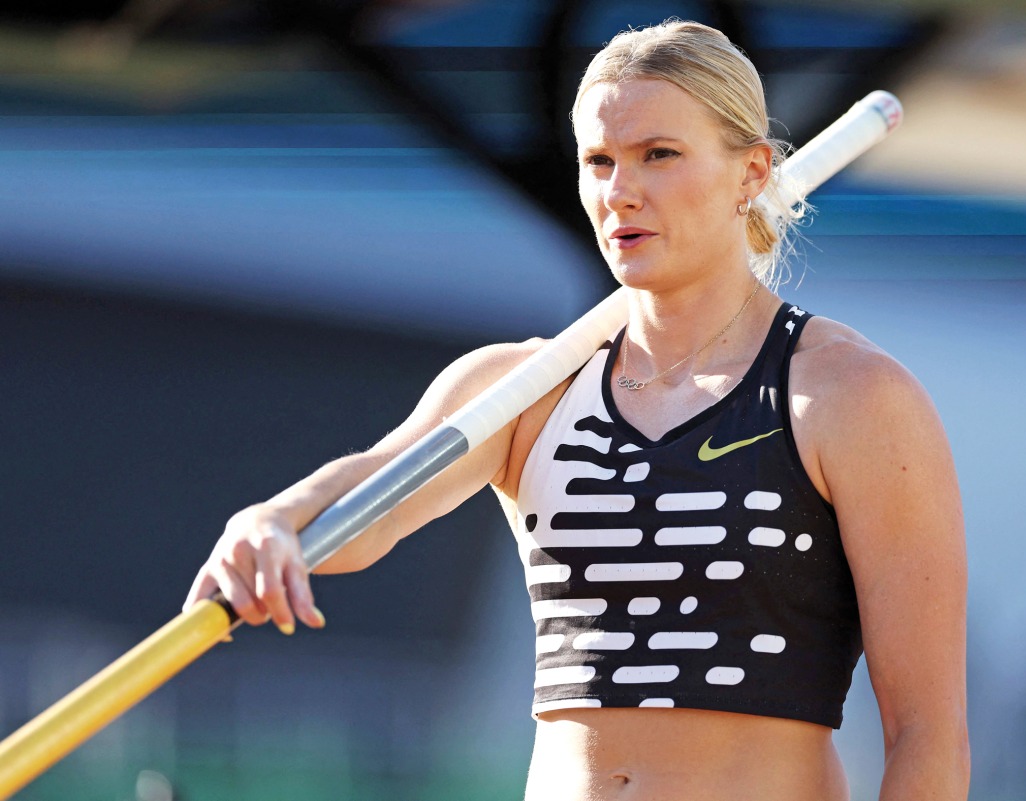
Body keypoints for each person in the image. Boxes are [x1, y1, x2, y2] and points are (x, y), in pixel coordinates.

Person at [185, 19, 969, 801]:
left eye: (658, 154)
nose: (619, 190)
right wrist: (273, 521)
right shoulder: (525, 390)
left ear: (752, 172)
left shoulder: (848, 396)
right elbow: (370, 499)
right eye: (599, 161)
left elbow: (928, 735)